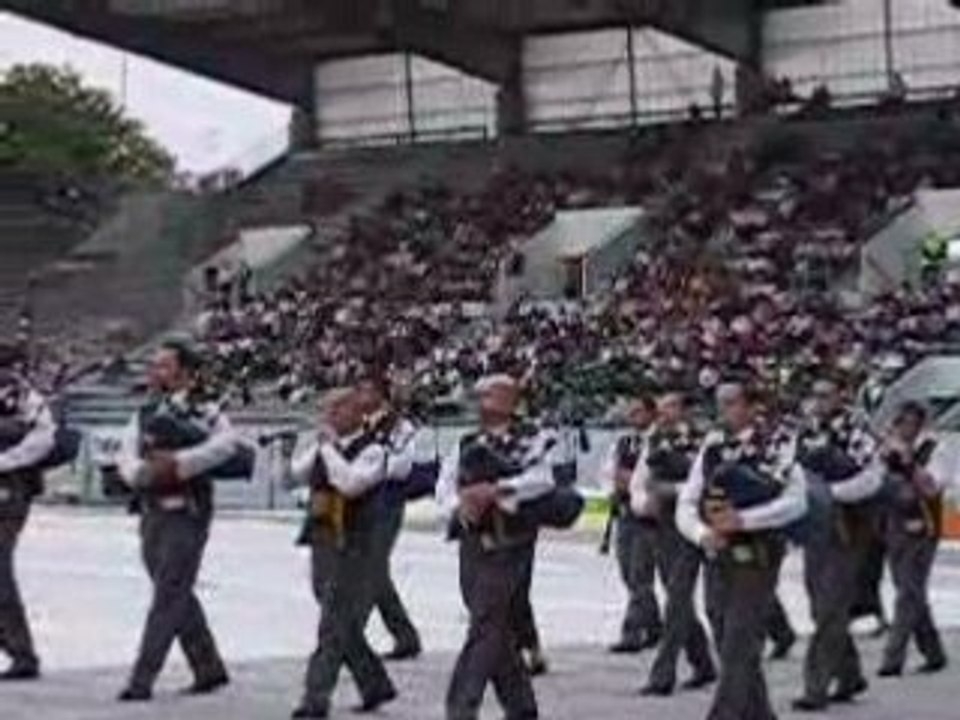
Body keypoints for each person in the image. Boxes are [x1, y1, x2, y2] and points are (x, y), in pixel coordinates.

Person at [678, 382, 808, 720]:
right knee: (723, 629)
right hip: (717, 549)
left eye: (732, 402)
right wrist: (701, 533)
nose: (724, 410)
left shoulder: (779, 443)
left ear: (753, 406)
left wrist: (745, 521)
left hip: (758, 551)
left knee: (739, 638)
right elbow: (689, 499)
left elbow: (795, 502)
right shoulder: (713, 444)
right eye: (720, 403)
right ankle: (758, 713)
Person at [116, 340, 234, 702]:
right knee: (172, 587)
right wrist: (141, 474)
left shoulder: (206, 411)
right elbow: (126, 451)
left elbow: (226, 446)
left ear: (185, 370)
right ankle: (207, 665)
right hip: (152, 507)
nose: (157, 372)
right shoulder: (146, 411)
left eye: (165, 365)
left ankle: (142, 677)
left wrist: (179, 464)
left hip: (188, 508)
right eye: (156, 365)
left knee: (169, 591)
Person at [437, 374, 556, 720]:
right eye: (481, 397)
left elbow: (542, 481)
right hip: (472, 539)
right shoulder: (466, 442)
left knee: (486, 623)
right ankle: (521, 706)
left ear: (509, 399)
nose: (482, 404)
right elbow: (444, 485)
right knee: (494, 626)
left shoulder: (531, 440)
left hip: (510, 540)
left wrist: (497, 490)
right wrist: (460, 505)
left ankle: (461, 707)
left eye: (489, 396)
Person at [287, 385, 400, 719]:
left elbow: (349, 483)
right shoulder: (326, 449)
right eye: (329, 410)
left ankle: (315, 698)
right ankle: (374, 682)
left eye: (339, 409)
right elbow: (295, 476)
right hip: (323, 540)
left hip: (353, 544)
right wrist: (289, 453)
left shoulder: (374, 451)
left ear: (357, 413)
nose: (332, 416)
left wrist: (328, 449)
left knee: (332, 624)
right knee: (341, 622)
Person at [793, 379, 881, 711]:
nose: (819, 401)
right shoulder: (806, 430)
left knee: (831, 606)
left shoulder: (856, 431)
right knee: (820, 605)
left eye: (825, 395)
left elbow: (872, 477)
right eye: (815, 394)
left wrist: (831, 494)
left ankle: (815, 686)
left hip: (848, 524)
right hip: (816, 525)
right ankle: (850, 674)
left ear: (841, 396)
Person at [637, 392, 716, 696]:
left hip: (697, 520)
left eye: (670, 406)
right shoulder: (656, 437)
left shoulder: (702, 439)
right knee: (676, 596)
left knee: (679, 599)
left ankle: (663, 673)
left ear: (684, 409)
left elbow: (706, 482)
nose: (664, 412)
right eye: (661, 406)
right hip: (667, 525)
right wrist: (645, 500)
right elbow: (644, 479)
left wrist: (669, 489)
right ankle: (702, 663)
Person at [877, 402, 950, 677]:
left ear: (919, 425)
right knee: (908, 588)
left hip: (923, 525)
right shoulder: (887, 448)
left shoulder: (934, 450)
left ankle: (892, 657)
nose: (903, 429)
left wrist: (909, 464)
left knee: (908, 591)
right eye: (899, 423)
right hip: (893, 524)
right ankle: (933, 651)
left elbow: (932, 488)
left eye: (908, 423)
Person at [0, 343, 55, 681]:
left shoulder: (26, 400)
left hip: (10, 489)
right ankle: (15, 646)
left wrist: (5, 462)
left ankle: (22, 652)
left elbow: (43, 440)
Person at [358, 378, 423, 661]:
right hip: (363, 502)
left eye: (369, 391)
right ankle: (405, 635)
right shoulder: (362, 426)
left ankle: (351, 634)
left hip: (388, 502)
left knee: (373, 567)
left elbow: (400, 467)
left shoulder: (403, 429)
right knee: (372, 571)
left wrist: (375, 455)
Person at [600, 395, 662, 654]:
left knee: (639, 575)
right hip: (625, 513)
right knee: (630, 574)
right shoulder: (624, 442)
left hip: (648, 517)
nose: (632, 416)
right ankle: (655, 625)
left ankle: (633, 631)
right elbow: (607, 471)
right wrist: (613, 485)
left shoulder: (660, 442)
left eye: (638, 411)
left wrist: (635, 481)